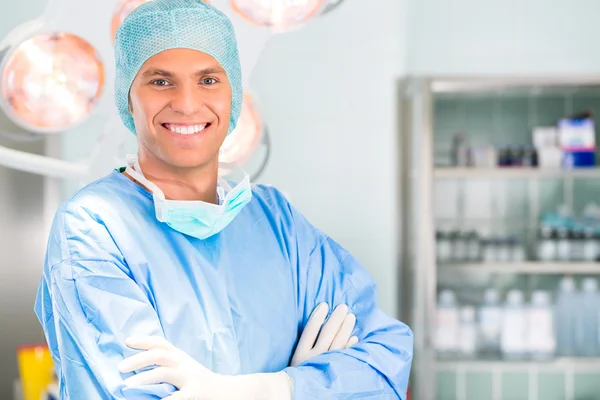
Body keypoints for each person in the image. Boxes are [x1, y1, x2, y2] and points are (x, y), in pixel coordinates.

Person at [34, 0, 414, 398]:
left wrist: (276, 388)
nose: (186, 103)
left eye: (208, 80)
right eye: (160, 81)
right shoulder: (94, 228)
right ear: (129, 98)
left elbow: (385, 358)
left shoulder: (277, 223)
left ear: (234, 96)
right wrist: (318, 386)